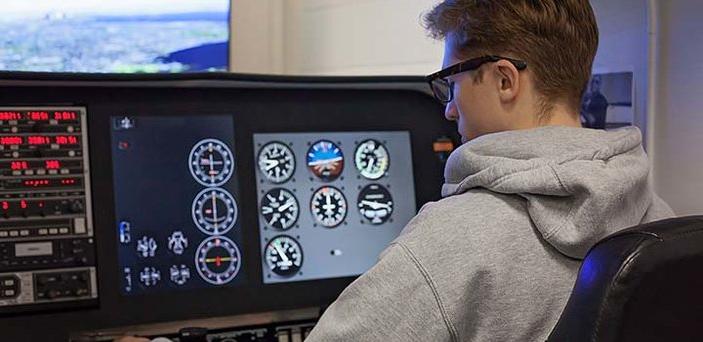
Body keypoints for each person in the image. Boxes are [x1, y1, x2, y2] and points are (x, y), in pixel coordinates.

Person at [305, 0, 674, 341]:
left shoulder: (454, 238)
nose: (450, 109)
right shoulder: (656, 214)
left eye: (452, 84)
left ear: (504, 80)